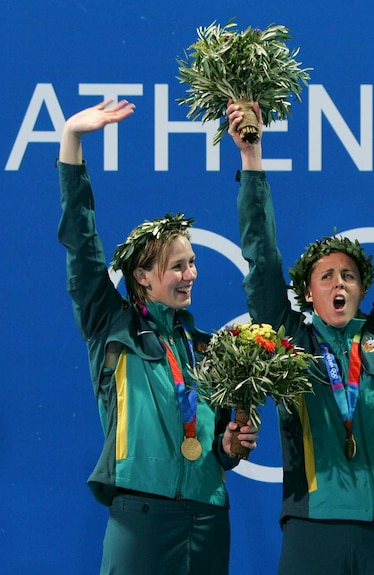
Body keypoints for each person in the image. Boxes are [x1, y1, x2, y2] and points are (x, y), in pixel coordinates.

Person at [57, 99, 259, 575]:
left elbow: (220, 447)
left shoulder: (210, 348)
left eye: (192, 263)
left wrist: (231, 446)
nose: (190, 274)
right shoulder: (112, 325)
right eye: (177, 266)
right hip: (141, 517)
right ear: (143, 276)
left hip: (209, 514)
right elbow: (82, 246)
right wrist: (72, 141)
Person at [232, 97, 374, 574]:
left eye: (348, 275)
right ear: (306, 293)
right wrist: (251, 159)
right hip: (314, 526)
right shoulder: (289, 341)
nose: (338, 283)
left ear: (363, 288)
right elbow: (261, 258)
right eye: (325, 276)